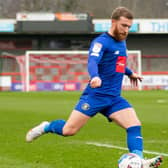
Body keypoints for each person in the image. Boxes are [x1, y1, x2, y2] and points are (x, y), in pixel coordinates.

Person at [26, 7, 163, 168]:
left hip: (113, 98)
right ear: (113, 22)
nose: (126, 30)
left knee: (134, 126)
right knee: (68, 130)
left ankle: (139, 161)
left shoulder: (122, 42)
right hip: (95, 95)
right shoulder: (101, 42)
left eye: (129, 27)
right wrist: (95, 76)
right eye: (124, 25)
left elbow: (117, 64)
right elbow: (93, 61)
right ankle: (46, 126)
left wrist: (129, 73)